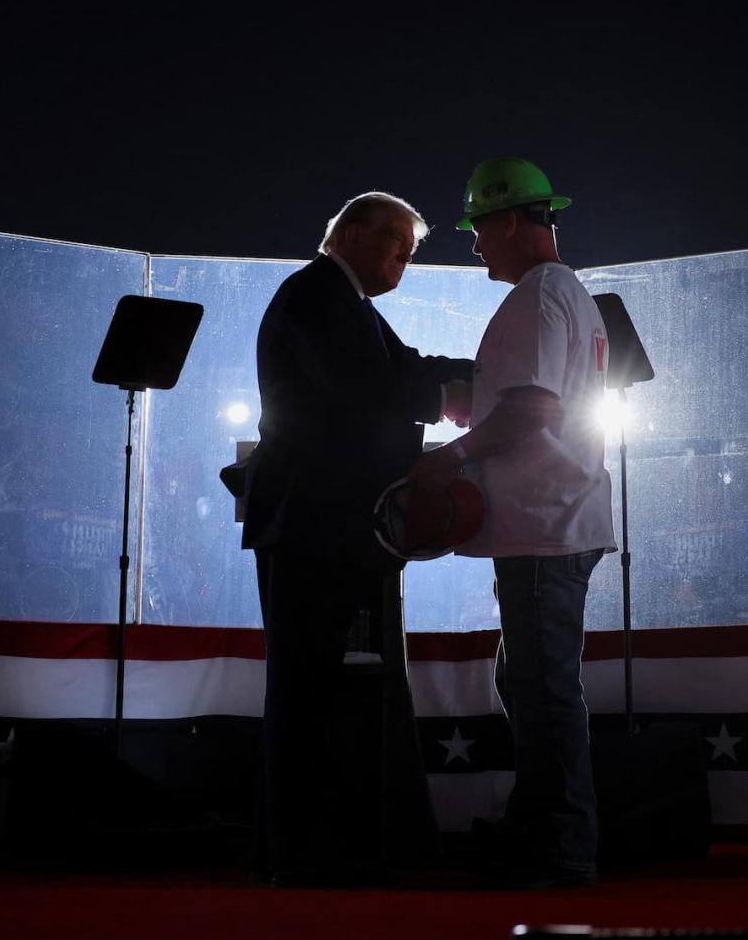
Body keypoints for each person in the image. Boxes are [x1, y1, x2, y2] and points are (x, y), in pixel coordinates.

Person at [241, 191, 473, 887]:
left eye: (410, 253)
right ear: (348, 233)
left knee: (329, 685)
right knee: (307, 685)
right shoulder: (315, 295)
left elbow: (404, 368)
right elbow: (365, 387)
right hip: (313, 524)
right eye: (397, 245)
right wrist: (454, 398)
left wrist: (482, 375)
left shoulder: (350, 306)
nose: (404, 262)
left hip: (336, 524)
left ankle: (327, 845)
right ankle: (299, 852)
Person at [409, 158, 615, 888]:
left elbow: (532, 409)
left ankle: (559, 848)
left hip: (542, 523)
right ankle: (540, 829)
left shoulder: (537, 297)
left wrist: (451, 458)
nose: (473, 243)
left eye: (478, 227)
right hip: (557, 518)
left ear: (507, 221)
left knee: (544, 691)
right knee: (531, 683)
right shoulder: (568, 293)